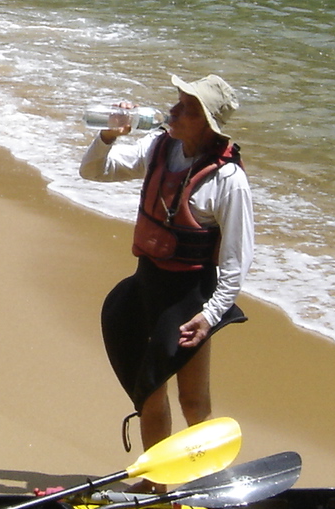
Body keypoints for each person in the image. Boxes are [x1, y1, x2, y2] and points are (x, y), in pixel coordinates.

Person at [80, 73, 254, 466]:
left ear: (207, 124)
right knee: (149, 391)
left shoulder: (229, 181)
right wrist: (110, 136)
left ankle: (201, 476)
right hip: (146, 286)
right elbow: (94, 171)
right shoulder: (159, 145)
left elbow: (235, 262)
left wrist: (209, 316)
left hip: (190, 297)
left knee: (193, 400)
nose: (173, 111)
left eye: (186, 109)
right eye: (176, 101)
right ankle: (158, 478)